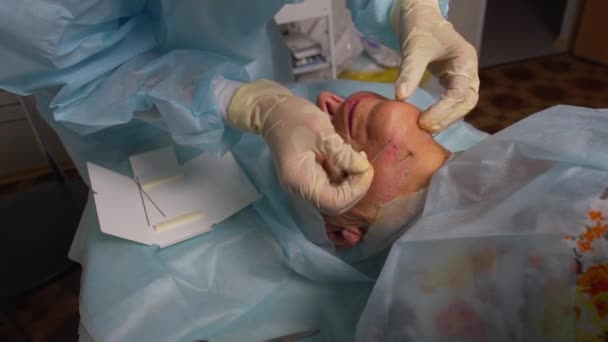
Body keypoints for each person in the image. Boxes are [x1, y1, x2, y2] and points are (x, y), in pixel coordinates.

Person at [0, 0, 478, 215]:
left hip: (247, 57)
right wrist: (245, 103)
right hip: (124, 110)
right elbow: (84, 66)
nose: (397, 118)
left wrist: (408, 7)